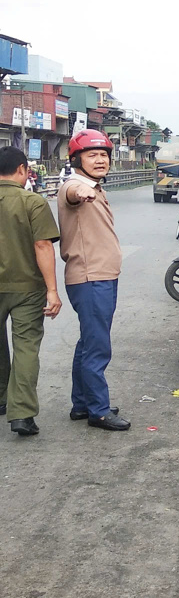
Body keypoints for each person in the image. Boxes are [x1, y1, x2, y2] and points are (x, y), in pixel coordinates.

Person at [58, 129, 129, 431]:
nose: (100, 160)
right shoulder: (75, 186)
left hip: (100, 276)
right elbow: (73, 193)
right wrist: (80, 192)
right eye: (92, 155)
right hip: (91, 278)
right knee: (98, 346)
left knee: (88, 341)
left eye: (104, 155)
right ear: (77, 159)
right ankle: (98, 411)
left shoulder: (96, 187)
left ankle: (82, 403)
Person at [0, 147, 62, 437]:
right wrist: (52, 291)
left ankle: (2, 398)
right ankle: (21, 415)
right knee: (25, 347)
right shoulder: (32, 202)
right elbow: (43, 246)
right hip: (27, 289)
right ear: (23, 170)